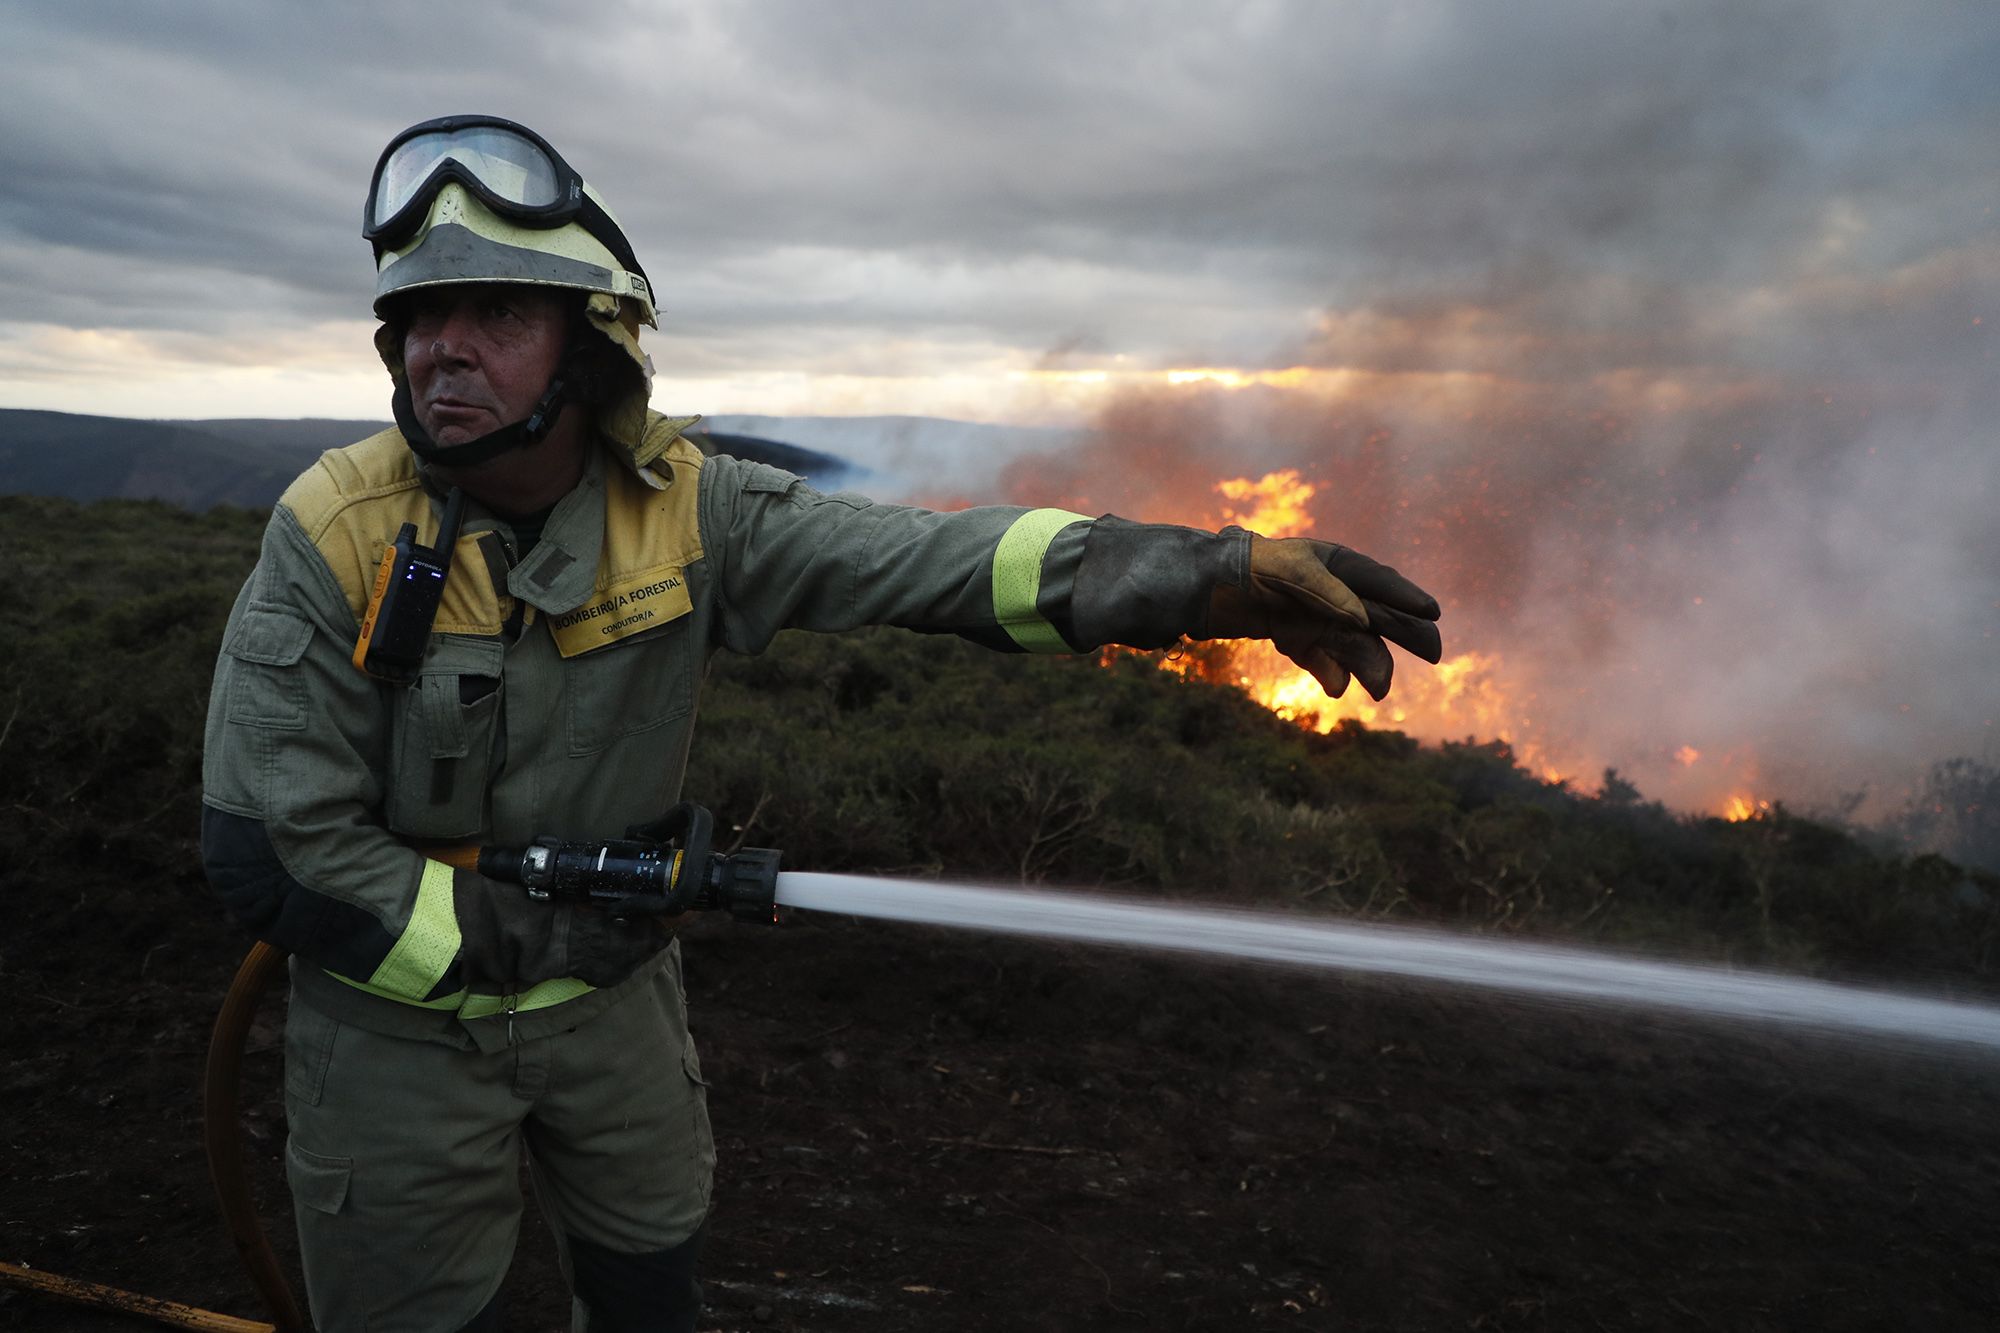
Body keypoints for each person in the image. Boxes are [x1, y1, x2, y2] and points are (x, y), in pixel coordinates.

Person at [200, 113, 1443, 1333]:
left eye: (495, 314)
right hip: (395, 1048)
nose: (443, 349)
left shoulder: (691, 511)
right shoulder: (335, 531)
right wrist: (515, 929)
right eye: (420, 316)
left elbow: (938, 561)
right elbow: (272, 845)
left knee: (648, 1282)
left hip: (614, 1008)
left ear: (590, 351)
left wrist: (1204, 576)